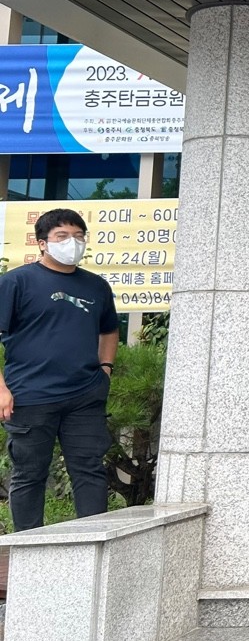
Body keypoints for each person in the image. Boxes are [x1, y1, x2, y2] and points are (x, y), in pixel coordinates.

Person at [0, 208, 118, 533]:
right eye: (62, 236)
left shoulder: (96, 286)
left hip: (85, 395)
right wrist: (2, 389)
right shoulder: (15, 283)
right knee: (30, 474)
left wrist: (105, 369)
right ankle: (29, 545)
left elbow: (109, 330)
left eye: (79, 236)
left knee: (90, 470)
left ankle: (93, 542)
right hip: (30, 396)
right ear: (42, 243)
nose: (72, 243)